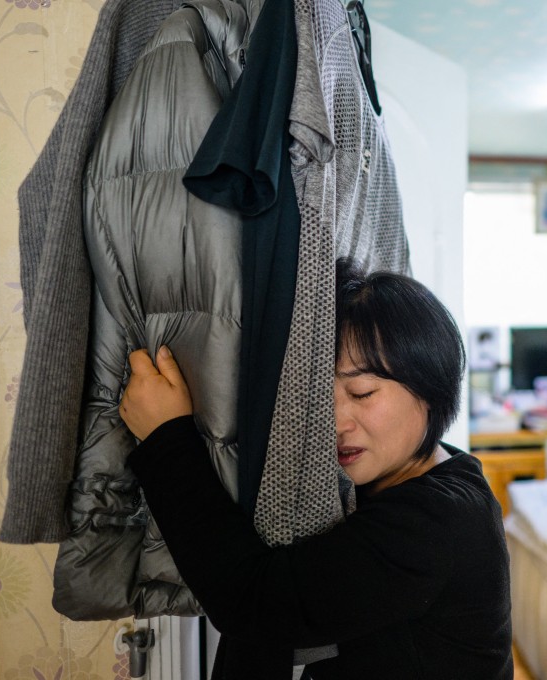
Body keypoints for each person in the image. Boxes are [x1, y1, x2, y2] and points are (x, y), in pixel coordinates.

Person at [120, 259, 513, 679]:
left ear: (430, 389)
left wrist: (166, 439)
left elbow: (258, 603)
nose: (334, 420)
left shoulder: (437, 523)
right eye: (320, 394)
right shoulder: (437, 469)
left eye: (361, 392)